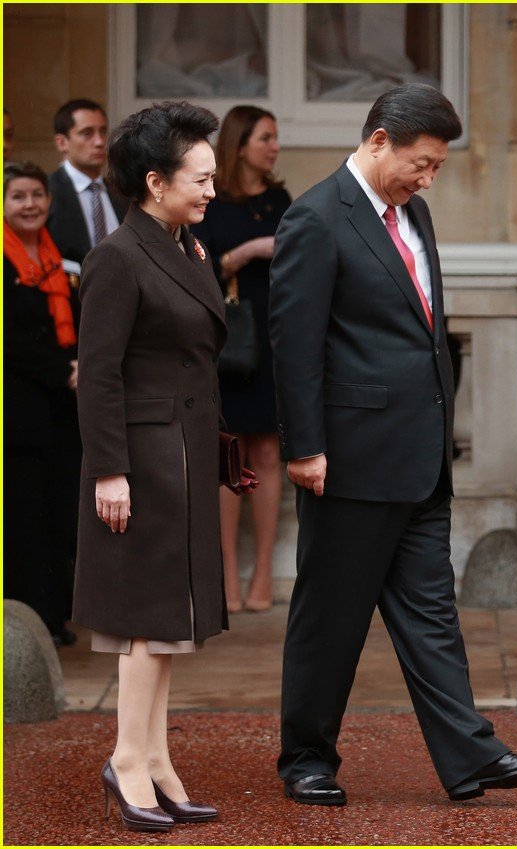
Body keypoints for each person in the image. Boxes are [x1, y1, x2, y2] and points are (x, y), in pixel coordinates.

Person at [269, 83, 517, 806]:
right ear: (378, 142)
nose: (429, 179)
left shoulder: (414, 214)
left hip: (420, 460)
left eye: (436, 167)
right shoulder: (314, 217)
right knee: (330, 620)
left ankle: (471, 757)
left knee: (434, 617)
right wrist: (304, 446)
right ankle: (306, 757)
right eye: (421, 163)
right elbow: (294, 345)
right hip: (349, 460)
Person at [72, 101, 256, 832]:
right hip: (143, 460)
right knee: (146, 622)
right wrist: (108, 470)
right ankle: (127, 757)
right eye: (201, 178)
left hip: (181, 449)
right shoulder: (117, 257)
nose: (213, 190)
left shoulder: (184, 248)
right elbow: (100, 373)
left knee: (171, 622)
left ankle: (153, 757)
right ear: (155, 181)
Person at [193, 106, 290, 614]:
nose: (274, 147)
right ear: (240, 144)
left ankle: (262, 577)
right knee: (229, 457)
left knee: (270, 454)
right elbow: (199, 266)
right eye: (265, 138)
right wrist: (251, 250)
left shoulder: (279, 199)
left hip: (274, 339)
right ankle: (226, 573)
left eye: (275, 138)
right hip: (227, 341)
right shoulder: (212, 200)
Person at [3, 161, 80, 645]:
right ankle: (24, 627)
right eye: (17, 197)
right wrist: (64, 371)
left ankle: (54, 619)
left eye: (36, 195)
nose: (29, 204)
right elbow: (11, 340)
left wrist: (81, 365)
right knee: (22, 519)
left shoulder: (66, 257)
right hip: (17, 410)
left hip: (65, 410)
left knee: (59, 512)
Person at [46, 99, 126, 266]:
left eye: (103, 132)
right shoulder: (47, 193)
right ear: (62, 142)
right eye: (87, 133)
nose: (99, 142)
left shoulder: (123, 192)